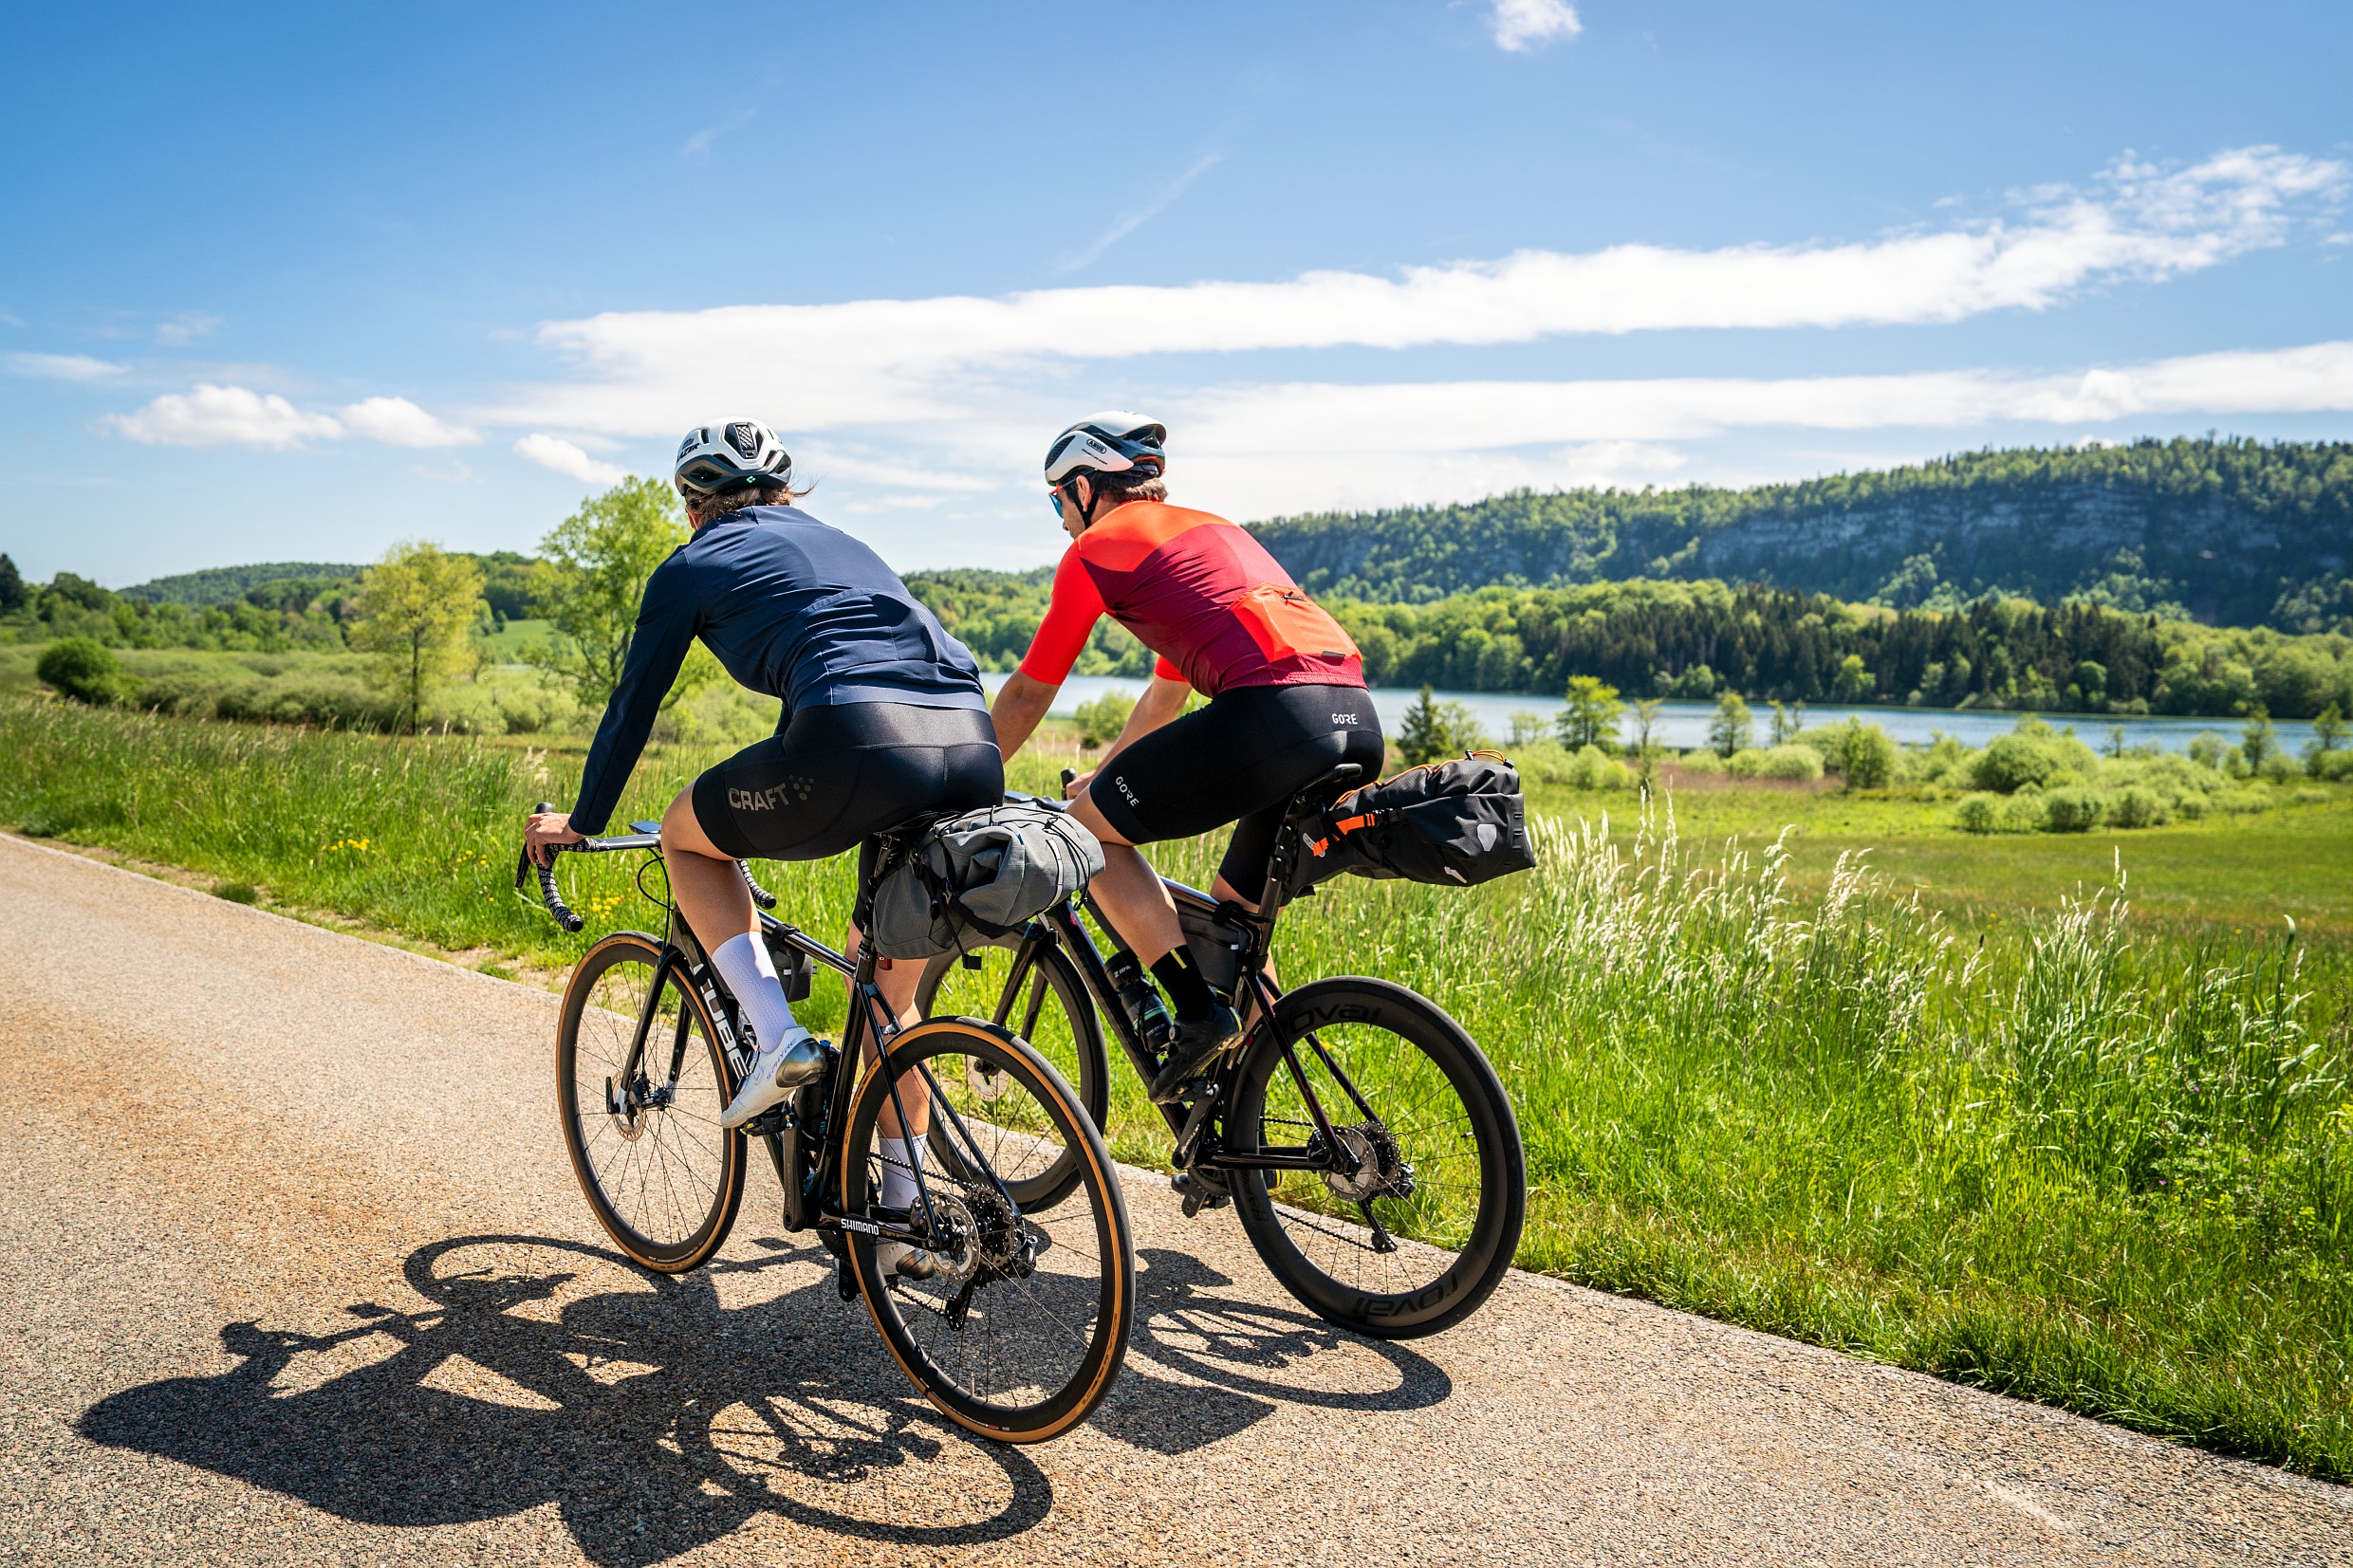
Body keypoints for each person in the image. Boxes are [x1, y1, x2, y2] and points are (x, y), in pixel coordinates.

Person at [524, 419, 1000, 1277]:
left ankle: (777, 1036)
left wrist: (583, 821)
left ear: (695, 505)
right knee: (890, 1000)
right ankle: (904, 1215)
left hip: (857, 738)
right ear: (783, 494)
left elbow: (633, 706)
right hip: (970, 742)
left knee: (686, 835)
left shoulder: (693, 563)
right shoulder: (842, 542)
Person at [991, 413, 1385, 1103]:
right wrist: (1108, 772)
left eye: (1058, 501)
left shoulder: (1098, 549)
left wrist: (968, 778)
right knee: (1233, 925)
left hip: (1275, 713)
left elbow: (1027, 693)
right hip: (1354, 717)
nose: (1060, 522)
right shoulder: (1207, 535)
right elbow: (1164, 698)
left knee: (1082, 835)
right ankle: (1255, 1122)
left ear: (1086, 488)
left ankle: (1195, 1013)